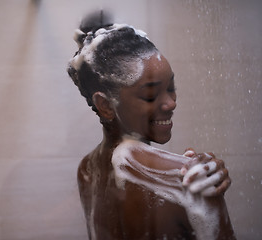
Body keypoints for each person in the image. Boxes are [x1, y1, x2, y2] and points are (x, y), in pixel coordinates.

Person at [67, 12, 235, 240]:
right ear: (105, 105)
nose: (171, 102)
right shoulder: (187, 181)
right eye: (151, 94)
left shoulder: (87, 170)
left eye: (171, 87)